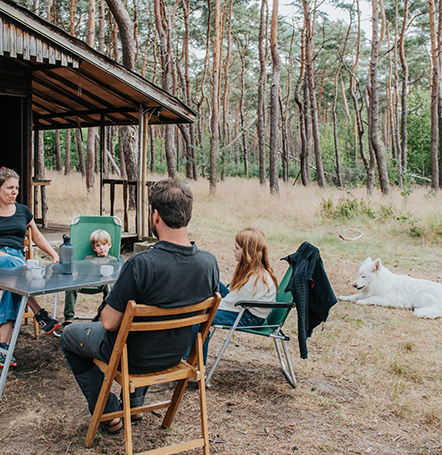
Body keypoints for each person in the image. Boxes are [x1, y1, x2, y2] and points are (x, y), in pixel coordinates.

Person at [60, 179, 219, 434]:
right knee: (146, 334)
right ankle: (133, 406)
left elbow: (110, 322)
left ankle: (110, 411)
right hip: (176, 355)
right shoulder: (209, 263)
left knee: (69, 336)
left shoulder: (141, 263)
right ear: (187, 214)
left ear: (155, 216)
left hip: (133, 357)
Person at [0, 167, 61, 367]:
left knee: (14, 283)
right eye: (10, 188)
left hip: (16, 267)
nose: (15, 192)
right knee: (17, 268)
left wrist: (54, 253)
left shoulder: (23, 211)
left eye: (17, 188)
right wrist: (9, 258)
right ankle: (40, 312)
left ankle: (4, 348)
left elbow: (36, 236)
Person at [194, 227, 278, 362]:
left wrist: (205, 307)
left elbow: (231, 303)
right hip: (243, 307)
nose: (233, 250)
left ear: (247, 253)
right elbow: (234, 297)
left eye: (237, 248)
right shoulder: (253, 270)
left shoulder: (256, 278)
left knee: (199, 317)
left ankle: (196, 364)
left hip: (248, 317)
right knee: (212, 281)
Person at [62, 229, 119, 324]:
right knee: (71, 287)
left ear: (109, 245)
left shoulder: (113, 260)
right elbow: (82, 273)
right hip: (86, 281)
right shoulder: (88, 259)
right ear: (94, 248)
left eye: (104, 244)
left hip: (104, 283)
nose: (101, 248)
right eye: (98, 245)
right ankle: (68, 318)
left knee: (111, 288)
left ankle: (101, 313)